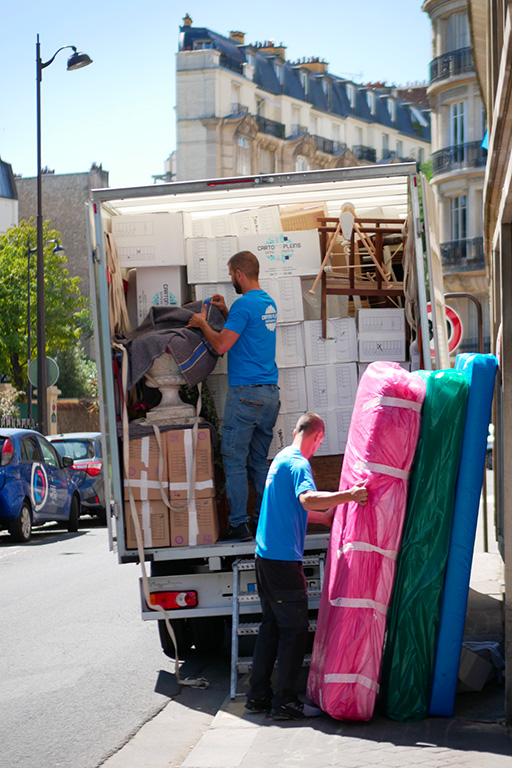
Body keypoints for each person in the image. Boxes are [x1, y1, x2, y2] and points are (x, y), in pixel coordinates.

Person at [245, 412, 369, 721]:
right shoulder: (300, 464)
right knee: (294, 631)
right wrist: (349, 495)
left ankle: (258, 696)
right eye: (319, 443)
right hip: (283, 562)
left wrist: (324, 518)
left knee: (271, 627)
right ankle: (285, 702)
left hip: (265, 557)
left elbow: (288, 506)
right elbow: (307, 499)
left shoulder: (281, 459)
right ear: (317, 437)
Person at [187, 250, 279, 541]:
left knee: (234, 461)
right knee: (258, 461)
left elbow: (222, 345)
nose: (231, 280)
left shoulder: (244, 304)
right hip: (269, 395)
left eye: (230, 274)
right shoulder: (267, 303)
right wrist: (227, 312)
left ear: (239, 274)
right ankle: (264, 521)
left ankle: (239, 524)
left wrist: (202, 324)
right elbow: (247, 333)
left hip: (246, 396)